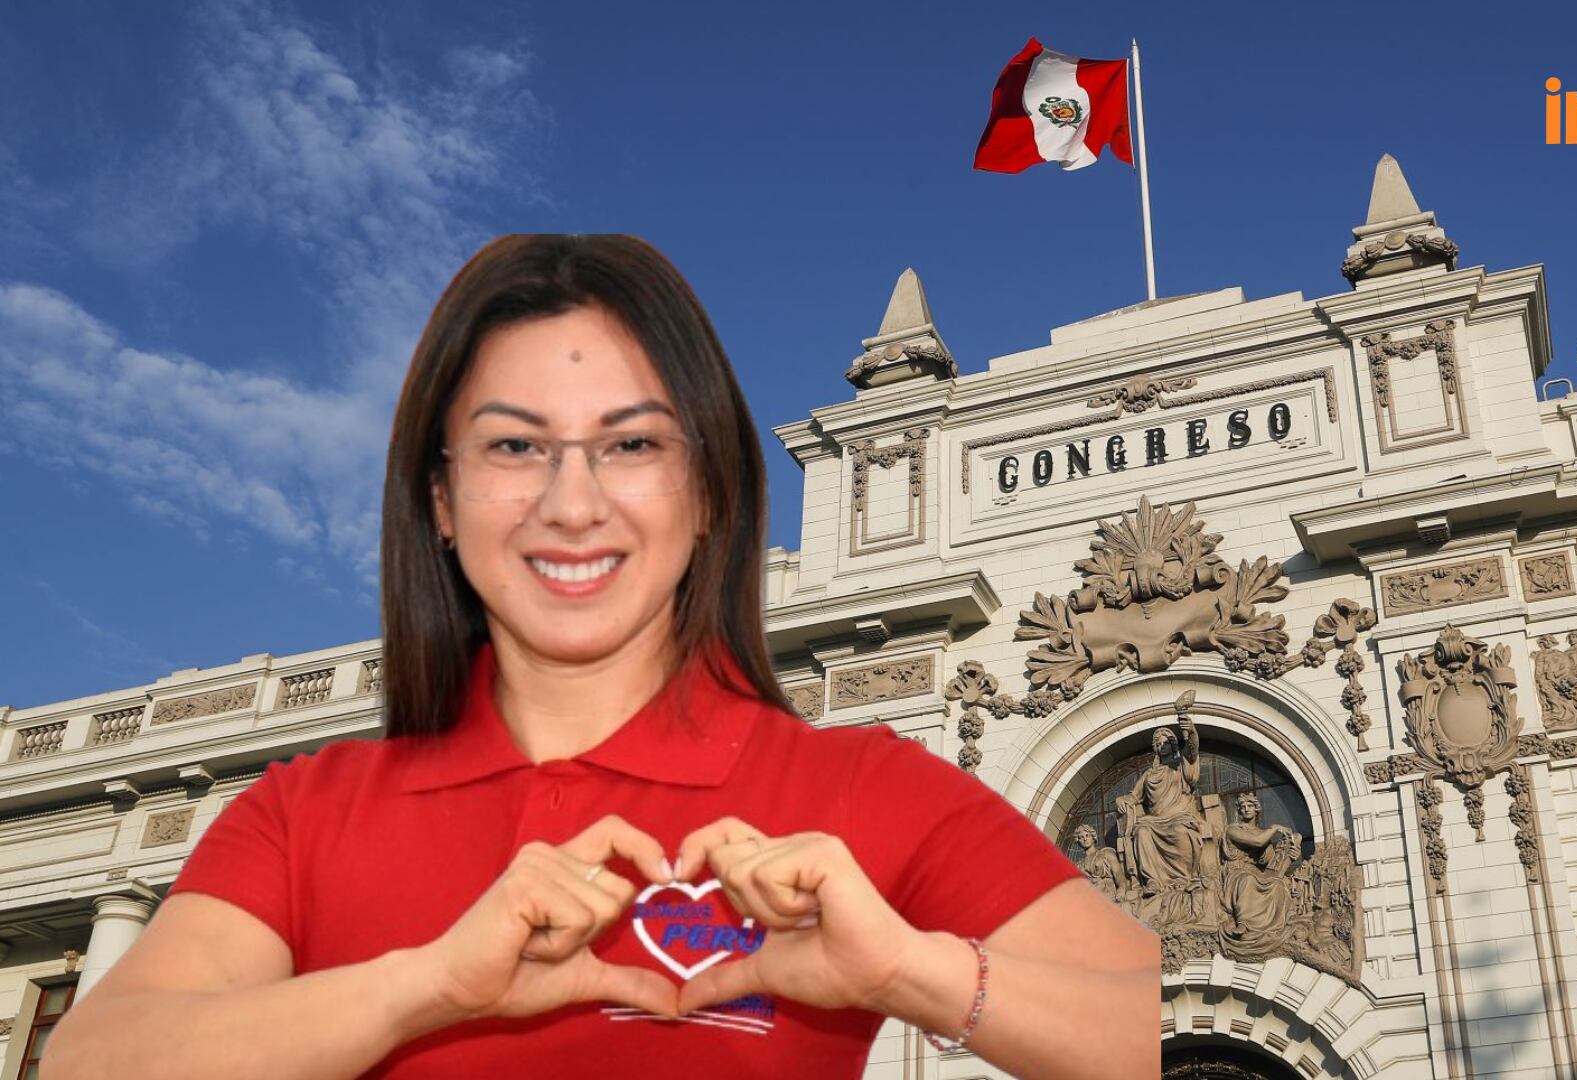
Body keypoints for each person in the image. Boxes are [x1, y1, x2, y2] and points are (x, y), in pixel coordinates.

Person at [42, 234, 1160, 1079]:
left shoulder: (856, 793)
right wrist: (426, 985)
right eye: (515, 446)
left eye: (630, 444)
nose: (570, 505)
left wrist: (904, 971)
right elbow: (98, 1060)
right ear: (439, 497)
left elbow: (1138, 1014)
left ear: (708, 489)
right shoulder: (302, 815)